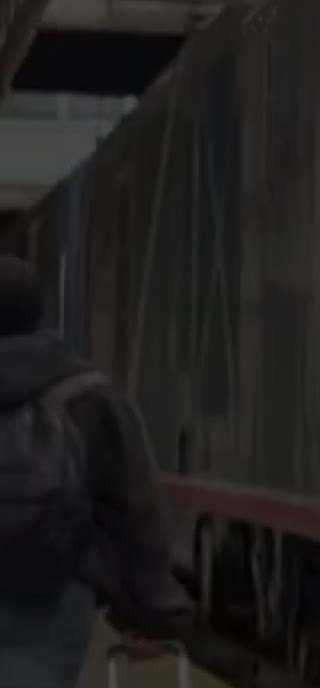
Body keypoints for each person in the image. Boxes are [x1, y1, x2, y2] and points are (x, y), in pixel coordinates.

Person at [0, 254, 193, 687]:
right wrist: (151, 608)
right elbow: (134, 508)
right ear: (39, 316)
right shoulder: (89, 395)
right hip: (52, 596)